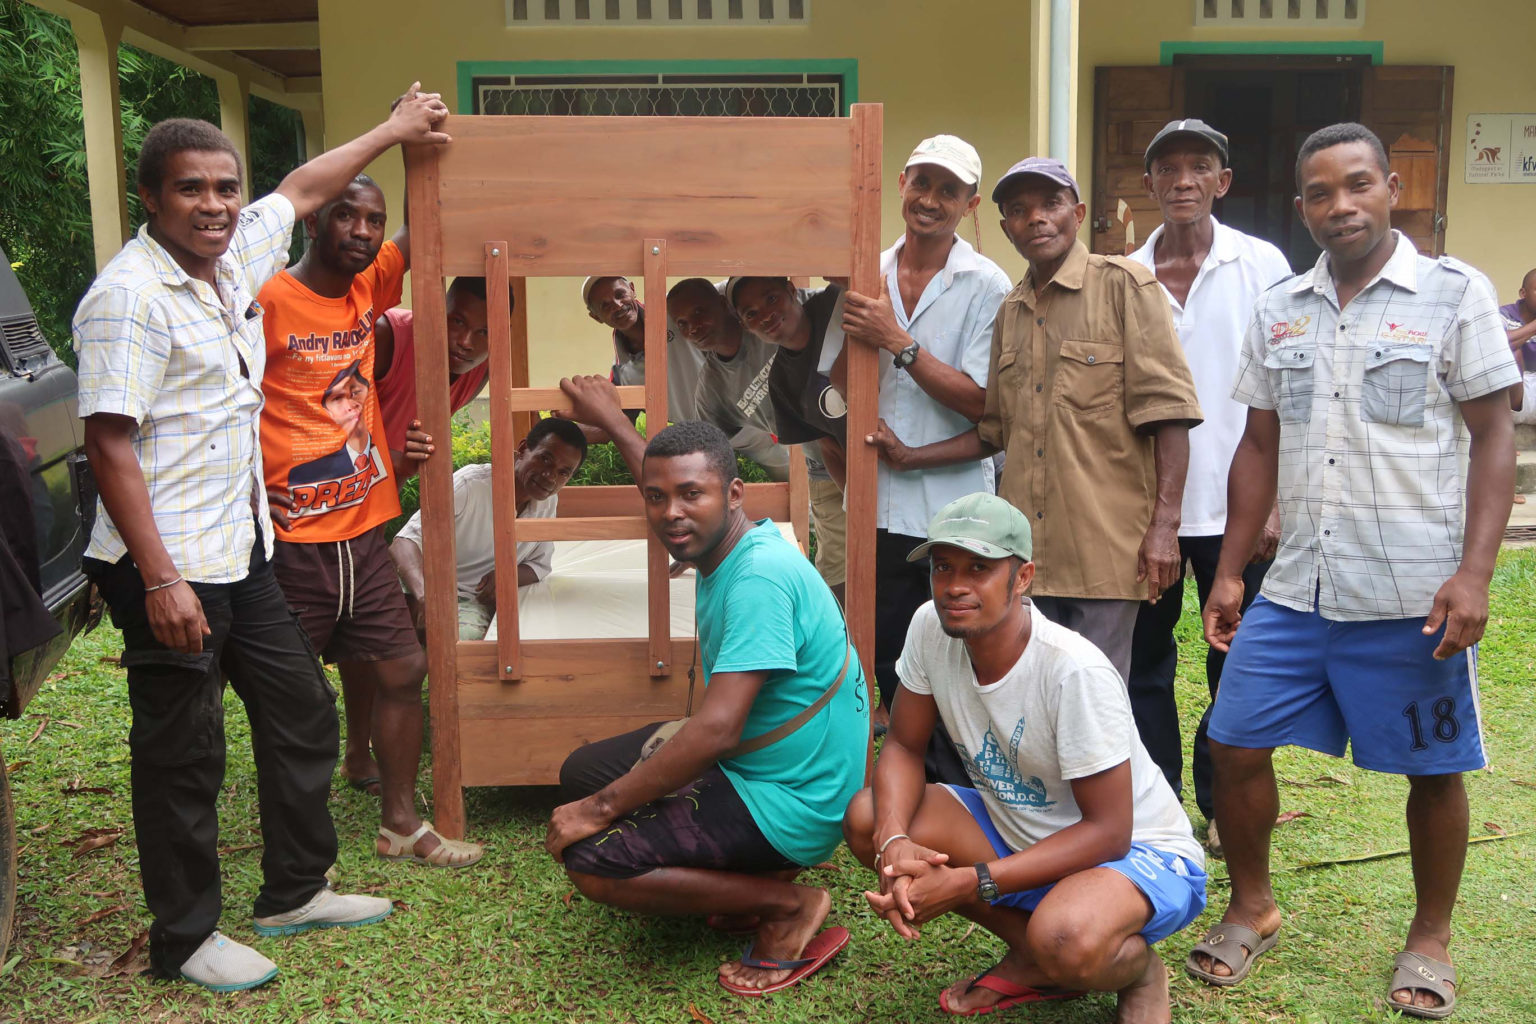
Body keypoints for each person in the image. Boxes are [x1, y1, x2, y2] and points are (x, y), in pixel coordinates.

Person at [72, 90, 448, 991]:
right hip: (169, 567)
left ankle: (294, 890)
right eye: (190, 189)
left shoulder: (232, 253)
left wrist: (393, 130)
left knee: (303, 714)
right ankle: (187, 940)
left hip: (244, 550)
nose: (214, 203)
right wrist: (160, 582)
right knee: (184, 753)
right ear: (151, 198)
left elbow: (302, 188)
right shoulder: (128, 298)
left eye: (224, 187)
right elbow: (108, 442)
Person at [1188, 123, 1518, 1021]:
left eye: (1358, 185)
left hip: (1413, 592)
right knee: (1233, 740)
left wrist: (1475, 574)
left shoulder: (1454, 294)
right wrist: (1228, 572)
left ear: (1391, 186)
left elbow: (1495, 433)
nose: (1341, 206)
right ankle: (1253, 904)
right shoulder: (1282, 306)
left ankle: (1430, 938)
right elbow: (1257, 442)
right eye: (1321, 193)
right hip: (1298, 586)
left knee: (1433, 769)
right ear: (1302, 206)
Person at [545, 376, 869, 997]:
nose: (672, 512)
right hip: (770, 761)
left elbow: (717, 730)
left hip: (796, 797)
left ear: (734, 493)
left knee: (593, 861)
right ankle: (753, 873)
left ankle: (787, 905)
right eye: (656, 498)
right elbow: (673, 480)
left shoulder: (757, 580)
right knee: (582, 770)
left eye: (691, 495)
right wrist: (615, 420)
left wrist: (599, 811)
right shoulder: (726, 536)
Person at [842, 492, 1206, 1019]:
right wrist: (895, 840)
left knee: (1066, 936)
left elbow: (1109, 831)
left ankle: (1139, 971)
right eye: (943, 567)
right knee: (869, 819)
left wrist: (970, 880)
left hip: (1139, 854)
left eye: (980, 568)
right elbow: (902, 744)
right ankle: (1037, 958)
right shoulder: (929, 627)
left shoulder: (1072, 671)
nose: (955, 586)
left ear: (1023, 577)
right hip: (1017, 828)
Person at [865, 157, 1202, 682]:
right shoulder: (1012, 310)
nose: (1036, 219)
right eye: (1019, 211)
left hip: (1103, 553)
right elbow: (994, 432)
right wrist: (910, 457)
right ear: (1005, 228)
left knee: (1092, 701)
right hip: (1023, 560)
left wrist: (1165, 527)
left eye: (1051, 204)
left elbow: (1170, 415)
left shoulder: (1124, 287)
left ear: (1079, 212)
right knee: (1025, 695)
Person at [259, 169, 482, 868]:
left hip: (365, 530)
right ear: (312, 223)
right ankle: (297, 854)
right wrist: (245, 490)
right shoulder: (267, 300)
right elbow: (227, 401)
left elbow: (426, 214)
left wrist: (429, 138)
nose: (362, 231)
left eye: (373, 221)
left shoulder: (369, 286)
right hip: (295, 541)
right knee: (296, 700)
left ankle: (400, 824)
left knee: (401, 667)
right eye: (346, 216)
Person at [1124, 119, 1292, 844]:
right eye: (1169, 168)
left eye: (1200, 167)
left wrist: (1278, 498)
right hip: (1147, 511)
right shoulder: (1126, 275)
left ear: (1222, 183)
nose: (1183, 180)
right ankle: (1161, 806)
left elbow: (1291, 388)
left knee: (1239, 663)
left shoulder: (1264, 266)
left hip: (1240, 507)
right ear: (1151, 184)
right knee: (1146, 666)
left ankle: (1224, 800)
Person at [819, 134, 1011, 771]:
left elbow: (984, 403)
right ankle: (890, 786)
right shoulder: (866, 268)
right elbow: (840, 381)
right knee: (881, 650)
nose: (930, 200)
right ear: (900, 182)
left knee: (953, 651)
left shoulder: (986, 283)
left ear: (970, 203)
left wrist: (897, 341)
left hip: (951, 505)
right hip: (876, 501)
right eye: (922, 183)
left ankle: (950, 787)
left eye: (948, 191)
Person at [390, 417, 588, 640]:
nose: (550, 476)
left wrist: (507, 575)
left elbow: (538, 565)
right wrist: (426, 596)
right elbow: (403, 543)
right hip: (422, 587)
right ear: (523, 449)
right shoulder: (471, 486)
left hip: (470, 601)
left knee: (469, 641)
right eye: (545, 459)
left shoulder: (547, 501)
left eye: (564, 472)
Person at [727, 276, 849, 600]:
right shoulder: (782, 379)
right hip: (863, 477)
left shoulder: (835, 307)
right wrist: (859, 501)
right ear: (745, 326)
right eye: (750, 314)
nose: (765, 315)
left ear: (792, 290)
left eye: (771, 299)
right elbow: (829, 448)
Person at [373, 275, 498, 480]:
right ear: (437, 311)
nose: (466, 342)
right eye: (458, 322)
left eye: (483, 332)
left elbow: (405, 462)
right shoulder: (386, 337)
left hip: (380, 499)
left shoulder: (480, 369)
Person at [666, 277, 790, 480]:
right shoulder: (711, 391)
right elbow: (709, 457)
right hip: (812, 465)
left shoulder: (769, 327)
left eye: (699, 312)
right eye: (683, 323)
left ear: (723, 304)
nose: (693, 327)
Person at [583, 274, 706, 424]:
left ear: (632, 289)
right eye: (605, 305)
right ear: (596, 317)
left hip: (738, 413)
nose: (617, 305)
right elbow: (614, 425)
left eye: (620, 294)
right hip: (699, 438)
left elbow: (724, 291)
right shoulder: (621, 374)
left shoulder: (671, 306)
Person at [1500, 267, 1536, 425]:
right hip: (1514, 392)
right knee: (1513, 353)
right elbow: (1493, 344)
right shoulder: (1504, 315)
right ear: (1523, 293)